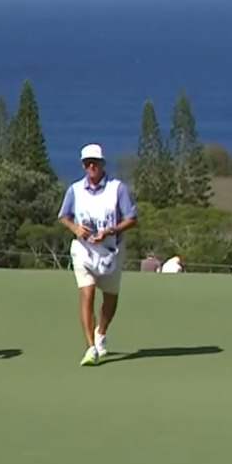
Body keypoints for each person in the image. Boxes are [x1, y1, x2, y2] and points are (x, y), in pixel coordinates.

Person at [58, 143, 139, 366]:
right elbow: (64, 216)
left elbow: (132, 219)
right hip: (83, 251)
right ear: (83, 166)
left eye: (95, 162)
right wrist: (76, 229)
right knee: (87, 293)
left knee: (110, 299)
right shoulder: (74, 190)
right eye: (87, 163)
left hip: (111, 251)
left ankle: (100, 332)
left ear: (102, 164)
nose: (91, 166)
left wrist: (111, 230)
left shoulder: (117, 189)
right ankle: (90, 348)